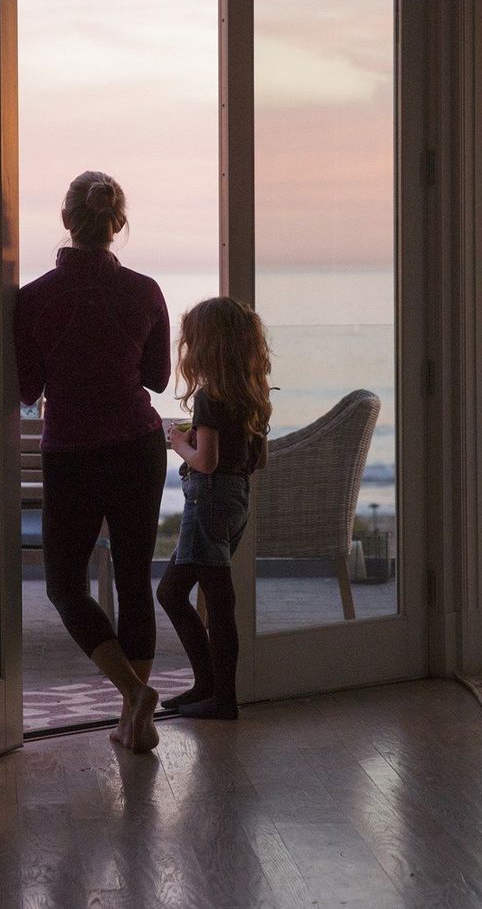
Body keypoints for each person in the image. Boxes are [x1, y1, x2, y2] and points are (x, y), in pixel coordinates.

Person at [15, 170, 170, 752]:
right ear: (118, 225)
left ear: (66, 221)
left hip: (72, 452)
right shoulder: (146, 290)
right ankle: (137, 716)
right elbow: (156, 379)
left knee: (65, 585)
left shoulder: (32, 299)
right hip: (137, 445)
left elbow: (27, 389)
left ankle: (133, 697)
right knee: (133, 579)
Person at [156, 297, 271, 721]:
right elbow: (259, 460)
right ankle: (209, 687)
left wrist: (178, 442)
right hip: (236, 499)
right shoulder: (251, 395)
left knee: (201, 598)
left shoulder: (208, 397)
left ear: (206, 347)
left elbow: (205, 461)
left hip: (207, 500)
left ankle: (222, 698)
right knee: (195, 594)